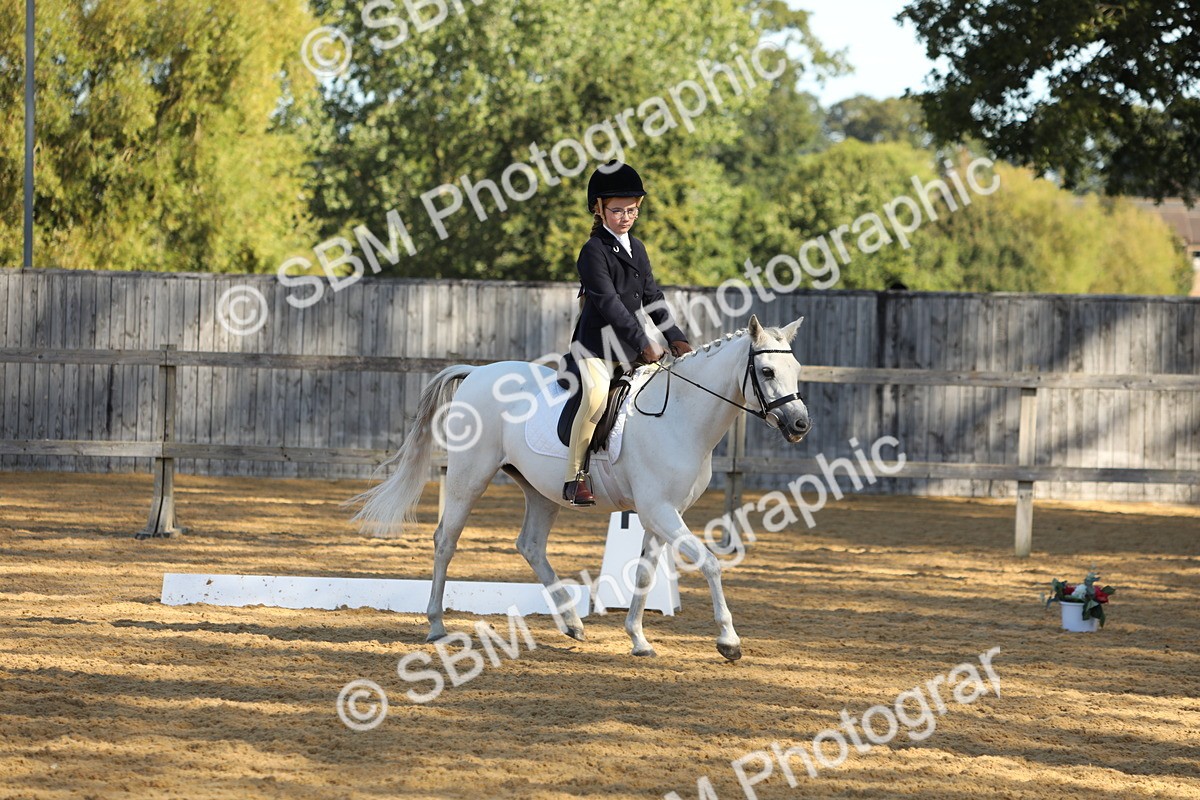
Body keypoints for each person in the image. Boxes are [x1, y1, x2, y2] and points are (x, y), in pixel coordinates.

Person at [563, 161, 693, 506]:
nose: (625, 216)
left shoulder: (638, 247)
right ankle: (574, 476)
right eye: (617, 210)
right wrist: (643, 342)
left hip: (630, 348)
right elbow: (609, 304)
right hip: (594, 348)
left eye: (632, 210)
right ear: (599, 209)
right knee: (594, 398)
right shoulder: (592, 251)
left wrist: (674, 336)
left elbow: (652, 297)